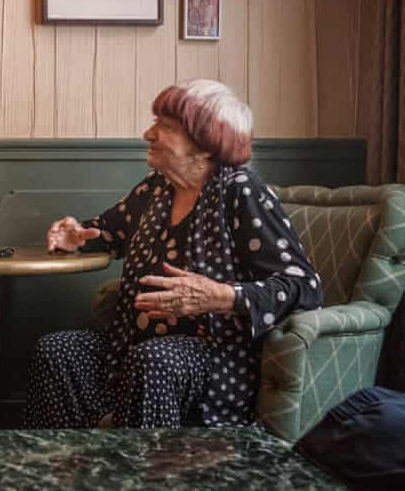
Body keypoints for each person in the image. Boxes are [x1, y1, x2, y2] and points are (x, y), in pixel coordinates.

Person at [22, 79, 323, 429]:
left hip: (212, 360)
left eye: (165, 126)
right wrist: (75, 237)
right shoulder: (157, 188)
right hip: (129, 349)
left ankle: (145, 476)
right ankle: (62, 470)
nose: (149, 134)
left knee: (155, 360)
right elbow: (108, 231)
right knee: (57, 350)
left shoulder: (241, 192)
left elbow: (305, 287)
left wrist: (223, 296)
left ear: (205, 143)